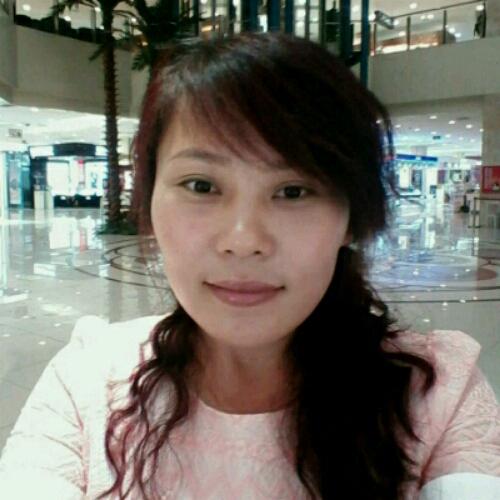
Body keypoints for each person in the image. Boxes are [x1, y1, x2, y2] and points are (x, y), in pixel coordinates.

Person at [0, 32, 499, 499]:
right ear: (149, 199)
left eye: (293, 191)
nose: (243, 242)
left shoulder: (434, 396)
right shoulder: (90, 383)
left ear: (351, 218)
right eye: (201, 185)